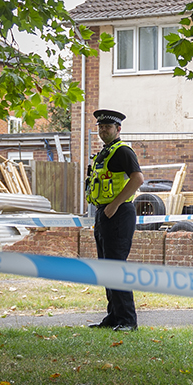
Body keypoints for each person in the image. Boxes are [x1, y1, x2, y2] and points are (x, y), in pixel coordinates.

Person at [85, 109, 144, 331]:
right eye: (100, 127)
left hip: (118, 213)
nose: (103, 130)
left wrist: (115, 204)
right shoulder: (104, 153)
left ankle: (128, 320)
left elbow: (138, 179)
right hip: (104, 213)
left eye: (108, 127)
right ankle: (113, 316)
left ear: (118, 129)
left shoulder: (122, 151)